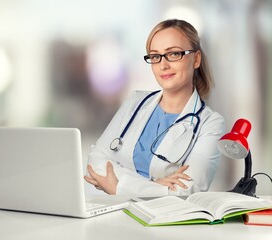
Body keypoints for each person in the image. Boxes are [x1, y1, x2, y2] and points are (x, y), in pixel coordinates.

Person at [84, 19, 225, 197]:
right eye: (155, 56)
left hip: (164, 223)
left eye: (173, 54)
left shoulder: (210, 124)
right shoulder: (135, 102)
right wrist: (153, 184)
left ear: (196, 59)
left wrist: (117, 186)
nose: (163, 65)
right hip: (119, 215)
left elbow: (186, 192)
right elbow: (95, 160)